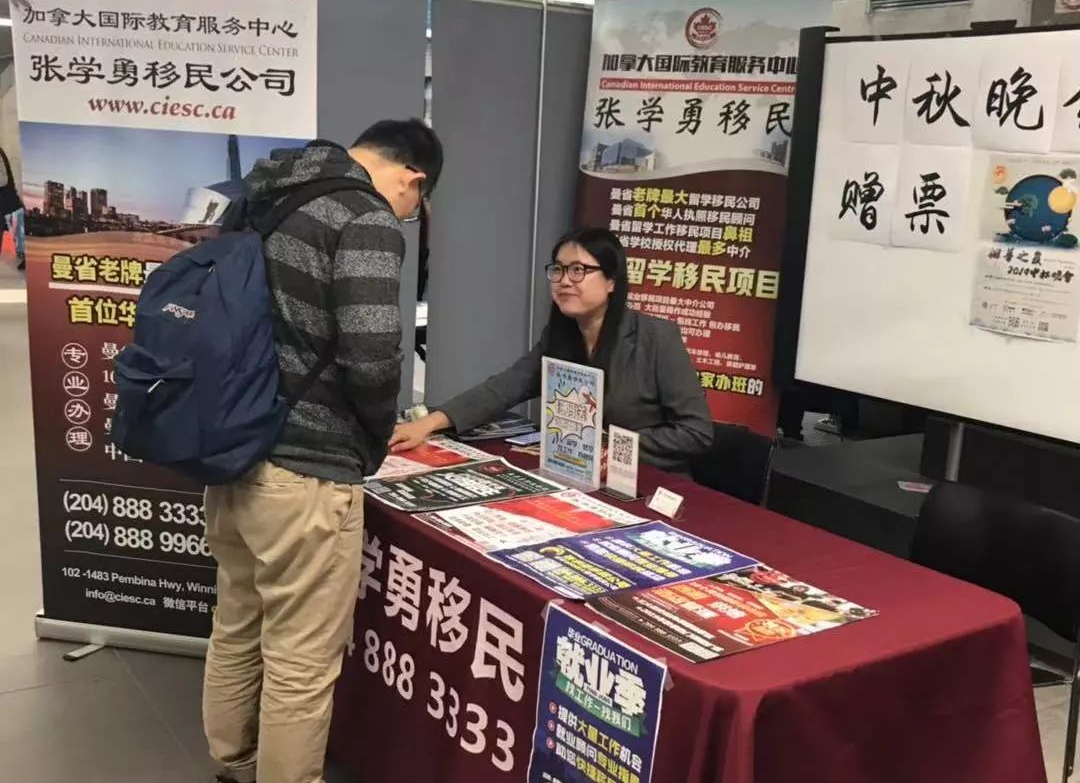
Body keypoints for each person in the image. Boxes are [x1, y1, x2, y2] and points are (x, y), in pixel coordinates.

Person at [202, 119, 443, 783]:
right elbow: (373, 354)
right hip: (307, 472)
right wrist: (373, 436)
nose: (407, 214)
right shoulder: (364, 215)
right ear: (413, 178)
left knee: (237, 619)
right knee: (301, 661)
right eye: (415, 205)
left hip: (233, 451)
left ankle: (234, 762)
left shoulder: (263, 196)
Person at [390, 227, 713, 472]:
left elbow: (695, 432)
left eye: (579, 270)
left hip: (647, 480)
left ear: (612, 281)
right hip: (576, 475)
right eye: (558, 269)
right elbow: (504, 387)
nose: (564, 280)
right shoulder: (561, 335)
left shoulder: (656, 338)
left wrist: (607, 448)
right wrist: (428, 424)